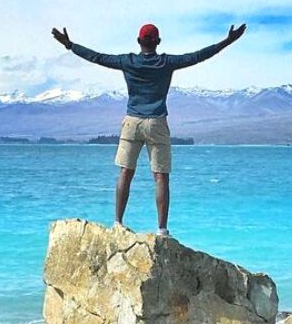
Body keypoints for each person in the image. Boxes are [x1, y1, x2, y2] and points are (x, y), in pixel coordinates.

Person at [51, 21, 246, 235]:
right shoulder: (167, 62)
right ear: (158, 42)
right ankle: (162, 230)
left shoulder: (128, 61)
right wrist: (227, 41)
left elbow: (97, 57)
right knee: (161, 176)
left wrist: (70, 45)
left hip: (132, 122)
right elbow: (198, 56)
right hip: (157, 123)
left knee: (125, 172)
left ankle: (118, 223)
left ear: (138, 42)